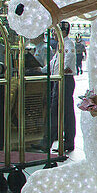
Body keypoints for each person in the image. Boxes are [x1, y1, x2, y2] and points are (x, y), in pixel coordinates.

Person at [33, 21, 76, 155]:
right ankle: (68, 141)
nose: (53, 35)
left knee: (56, 111)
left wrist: (56, 75)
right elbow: (54, 63)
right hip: (60, 80)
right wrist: (42, 69)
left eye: (55, 32)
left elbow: (65, 63)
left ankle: (47, 142)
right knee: (65, 112)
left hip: (64, 80)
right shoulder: (61, 45)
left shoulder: (68, 45)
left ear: (62, 32)